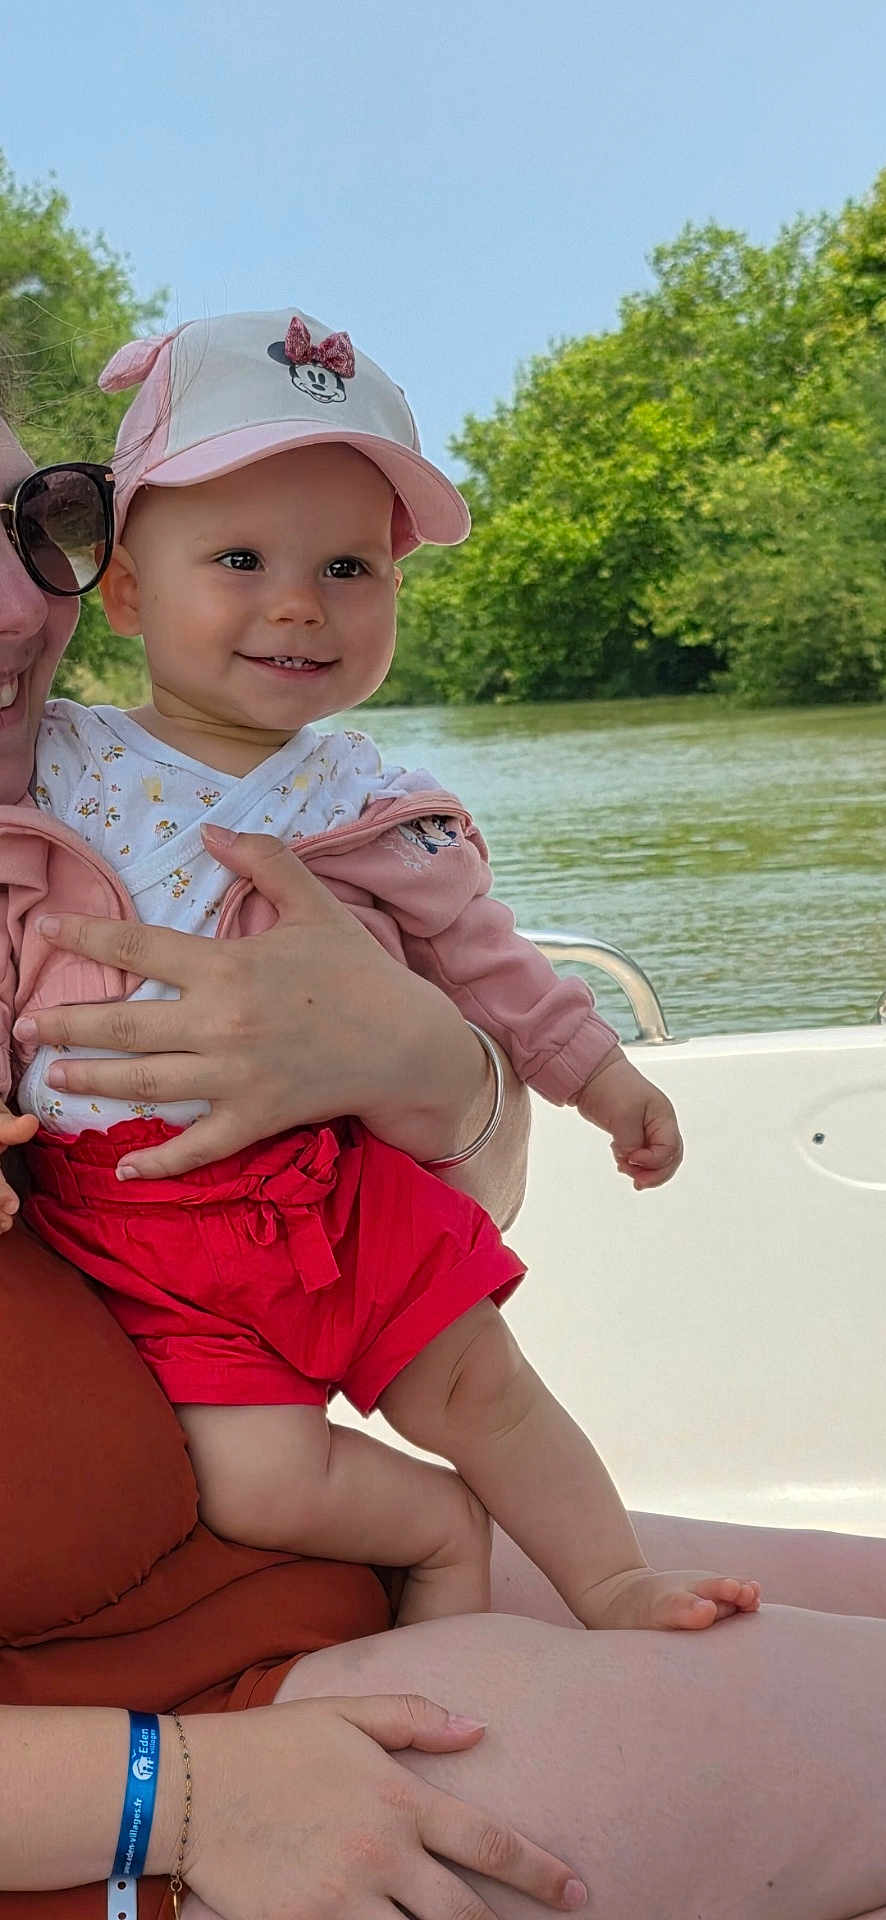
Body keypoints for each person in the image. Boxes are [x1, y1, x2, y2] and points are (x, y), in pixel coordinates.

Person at [3, 386, 886, 1920]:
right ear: (143, 589)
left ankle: (562, 1576)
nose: (20, 596)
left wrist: (470, 1077)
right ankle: (474, 1561)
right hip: (199, 1727)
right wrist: (176, 1794)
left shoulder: (342, 813)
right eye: (241, 563)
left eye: (28, 526)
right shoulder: (58, 792)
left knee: (527, 1425)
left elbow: (478, 1081)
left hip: (294, 1343)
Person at [2, 307, 759, 1634]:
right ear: (125, 587)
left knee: (482, 1390)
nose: (298, 603)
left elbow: (495, 966)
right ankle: (433, 1535)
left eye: (352, 569)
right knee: (263, 1481)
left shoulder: (372, 800)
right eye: (239, 558)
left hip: (329, 1192)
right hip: (133, 1222)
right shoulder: (58, 761)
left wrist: (595, 1074)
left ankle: (607, 1579)